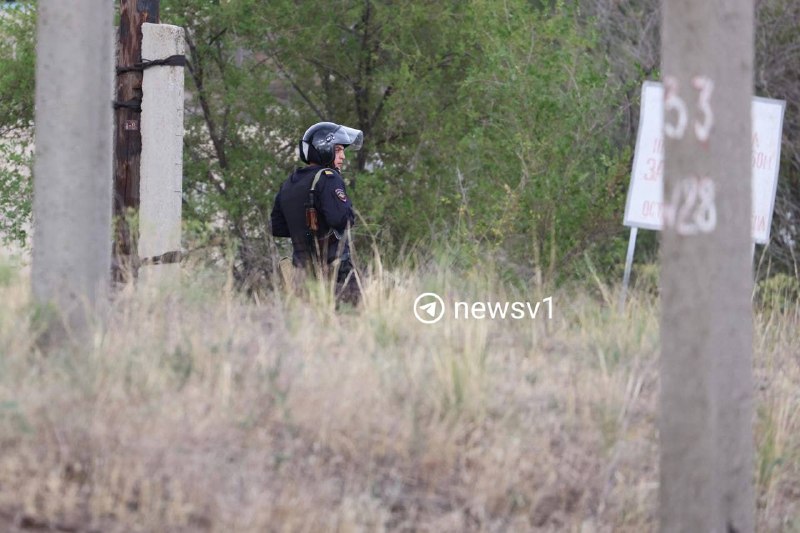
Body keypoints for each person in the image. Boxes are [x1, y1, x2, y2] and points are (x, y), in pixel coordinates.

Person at [270, 121, 363, 304]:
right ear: (324, 148)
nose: (343, 156)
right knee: (353, 315)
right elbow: (341, 219)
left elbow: (277, 227)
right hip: (335, 269)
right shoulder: (329, 177)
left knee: (308, 322)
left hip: (301, 272)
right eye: (338, 150)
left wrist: (306, 232)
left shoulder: (290, 182)